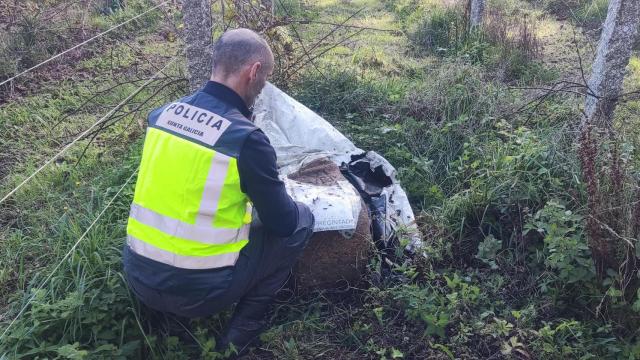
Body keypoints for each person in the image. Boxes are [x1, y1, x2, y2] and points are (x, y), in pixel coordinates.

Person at [122, 28, 315, 354]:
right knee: (301, 223)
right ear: (254, 72)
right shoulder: (245, 139)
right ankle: (239, 336)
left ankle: (162, 320)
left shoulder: (161, 116)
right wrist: (294, 202)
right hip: (199, 292)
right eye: (265, 78)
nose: (262, 87)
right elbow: (283, 223)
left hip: (138, 276)